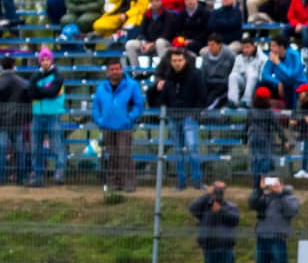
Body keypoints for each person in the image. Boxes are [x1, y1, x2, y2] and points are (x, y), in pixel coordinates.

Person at [151, 46, 207, 190]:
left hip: (189, 117)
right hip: (173, 117)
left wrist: (195, 114)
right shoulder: (168, 77)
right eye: (174, 60)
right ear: (170, 62)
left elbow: (202, 97)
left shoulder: (195, 75)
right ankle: (181, 182)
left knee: (192, 148)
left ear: (185, 60)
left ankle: (197, 181)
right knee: (178, 150)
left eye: (180, 60)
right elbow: (161, 97)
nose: (177, 63)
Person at [91, 58, 144, 193]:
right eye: (112, 69)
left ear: (121, 69)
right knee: (111, 156)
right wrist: (99, 120)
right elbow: (96, 107)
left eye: (117, 69)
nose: (115, 72)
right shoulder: (101, 87)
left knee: (124, 155)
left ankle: (129, 183)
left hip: (124, 127)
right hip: (106, 126)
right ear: (108, 72)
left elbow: (138, 105)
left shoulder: (131, 85)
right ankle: (113, 183)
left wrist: (130, 118)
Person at [0, 55, 30, 185]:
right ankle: (21, 178)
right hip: (18, 120)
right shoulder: (22, 83)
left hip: (1, 120)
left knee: (1, 150)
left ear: (1, 67)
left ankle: (0, 178)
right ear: (14, 66)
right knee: (20, 150)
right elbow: (28, 101)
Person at [27, 48, 65, 185]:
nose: (45, 62)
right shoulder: (35, 76)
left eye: (47, 59)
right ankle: (37, 174)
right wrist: (41, 90)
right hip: (37, 114)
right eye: (42, 59)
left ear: (51, 60)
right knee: (36, 148)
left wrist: (38, 91)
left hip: (53, 114)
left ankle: (59, 172)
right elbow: (30, 93)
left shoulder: (57, 76)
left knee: (56, 145)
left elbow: (52, 92)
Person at [250, 175, 299, 263]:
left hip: (277, 239)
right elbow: (252, 204)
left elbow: (292, 211)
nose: (273, 185)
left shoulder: (289, 197)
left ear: (282, 184)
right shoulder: (264, 196)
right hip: (261, 239)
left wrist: (280, 193)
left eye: (275, 182)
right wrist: (259, 190)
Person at [189, 181, 240, 263]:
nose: (218, 192)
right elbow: (192, 208)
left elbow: (235, 220)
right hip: (209, 247)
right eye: (216, 189)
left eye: (221, 189)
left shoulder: (231, 207)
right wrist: (206, 195)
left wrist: (220, 211)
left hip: (226, 247)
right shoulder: (204, 206)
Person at [243, 86, 286, 182]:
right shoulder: (269, 112)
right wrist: (284, 139)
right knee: (266, 159)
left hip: (253, 137)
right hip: (265, 138)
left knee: (255, 160)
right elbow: (277, 126)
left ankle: (256, 184)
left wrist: (244, 141)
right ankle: (263, 181)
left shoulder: (251, 111)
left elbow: (246, 127)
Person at [262, 35, 308, 107]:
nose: (271, 49)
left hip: (298, 83)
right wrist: (278, 82)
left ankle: (291, 113)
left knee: (291, 87)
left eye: (273, 46)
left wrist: (278, 63)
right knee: (261, 84)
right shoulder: (273, 56)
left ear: (282, 47)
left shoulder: (294, 55)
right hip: (283, 84)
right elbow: (265, 74)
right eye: (270, 46)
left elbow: (293, 76)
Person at [123, 0, 169, 69]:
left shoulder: (167, 14)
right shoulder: (146, 14)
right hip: (147, 43)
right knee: (130, 44)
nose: (154, 3)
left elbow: (167, 34)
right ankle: (137, 72)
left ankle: (164, 71)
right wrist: (144, 42)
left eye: (156, 0)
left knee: (160, 42)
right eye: (152, 1)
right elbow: (142, 32)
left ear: (161, 1)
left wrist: (153, 43)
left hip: (162, 43)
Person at [198, 34, 235, 107]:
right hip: (209, 82)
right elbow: (203, 73)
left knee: (211, 97)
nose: (210, 48)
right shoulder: (205, 55)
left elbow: (234, 70)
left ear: (219, 45)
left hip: (223, 83)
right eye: (209, 45)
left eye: (212, 45)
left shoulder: (230, 55)